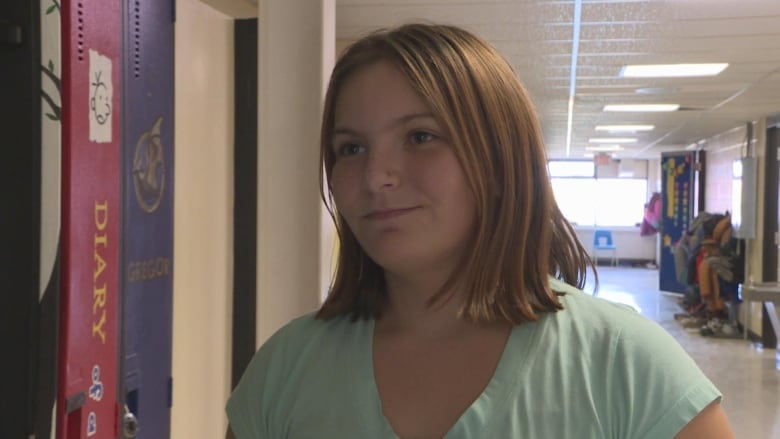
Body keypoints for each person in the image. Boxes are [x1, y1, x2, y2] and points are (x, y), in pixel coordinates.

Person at [226, 23, 733, 438]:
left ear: (499, 163)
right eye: (350, 148)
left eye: (420, 137)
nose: (377, 176)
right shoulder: (285, 369)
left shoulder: (625, 365)